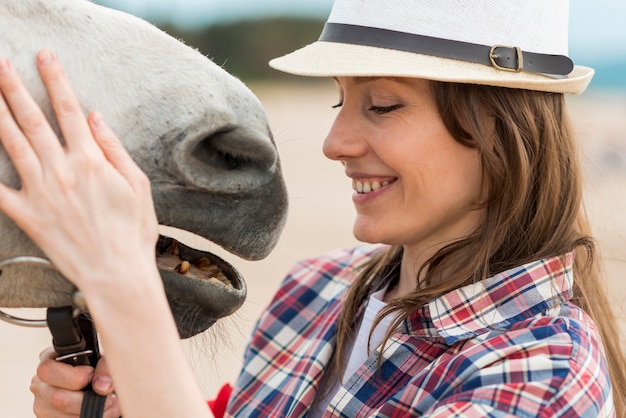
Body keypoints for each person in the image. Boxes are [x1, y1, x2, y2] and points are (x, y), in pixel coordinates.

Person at [0, 0, 623, 416]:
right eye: (339, 102)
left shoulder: (540, 377)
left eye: (382, 105)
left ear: (500, 132)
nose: (335, 144)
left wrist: (125, 289)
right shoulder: (316, 290)